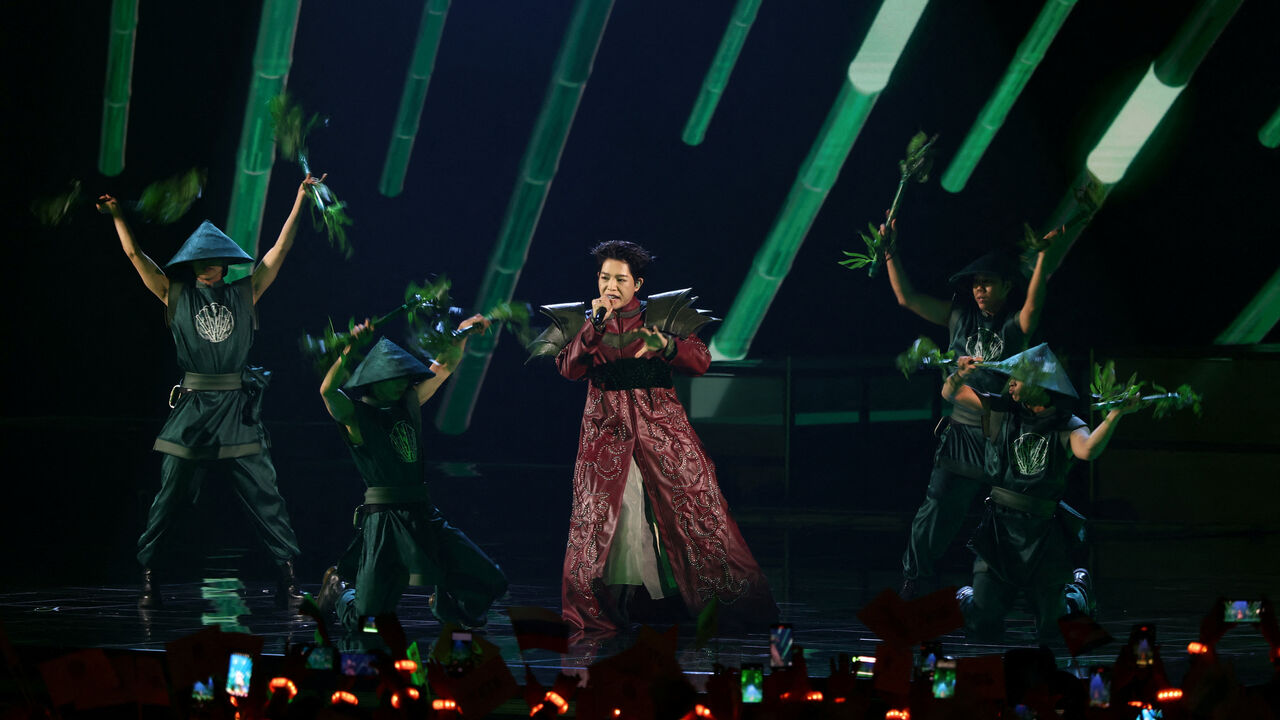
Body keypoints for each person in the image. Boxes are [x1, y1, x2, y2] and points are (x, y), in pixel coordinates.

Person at [528, 240, 777, 632]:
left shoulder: (662, 314)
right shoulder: (583, 320)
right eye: (605, 277)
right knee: (613, 520)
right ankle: (618, 602)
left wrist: (668, 346)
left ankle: (695, 600)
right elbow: (570, 370)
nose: (611, 285)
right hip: (606, 438)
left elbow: (701, 362)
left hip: (663, 435)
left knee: (687, 514)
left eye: (620, 279)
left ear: (637, 283)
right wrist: (594, 327)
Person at [98, 174, 321, 607]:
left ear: (224, 263)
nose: (205, 266)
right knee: (170, 494)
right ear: (191, 264)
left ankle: (289, 580)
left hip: (237, 410)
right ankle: (148, 575)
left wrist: (299, 201)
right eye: (199, 260)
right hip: (194, 409)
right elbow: (134, 256)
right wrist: (118, 217)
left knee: (266, 493)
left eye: (213, 259)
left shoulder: (245, 292)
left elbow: (279, 251)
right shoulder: (175, 294)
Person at [884, 220, 1072, 600]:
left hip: (1003, 432)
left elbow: (1034, 306)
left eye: (987, 282)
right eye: (975, 283)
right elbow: (907, 298)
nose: (979, 289)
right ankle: (915, 581)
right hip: (962, 431)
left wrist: (1041, 261)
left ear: (1006, 286)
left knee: (1020, 511)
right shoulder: (958, 316)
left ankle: (1033, 587)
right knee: (938, 506)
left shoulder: (1013, 325)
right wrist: (890, 251)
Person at [317, 323, 508, 632]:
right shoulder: (357, 417)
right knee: (369, 621)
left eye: (404, 376)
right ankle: (338, 590)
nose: (402, 383)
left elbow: (443, 366)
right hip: (384, 523)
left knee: (490, 579)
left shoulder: (408, 403)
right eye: (394, 378)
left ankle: (447, 605)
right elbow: (327, 391)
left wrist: (462, 333)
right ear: (374, 380)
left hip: (422, 513)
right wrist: (349, 351)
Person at [942, 343, 1138, 642]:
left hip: (1043, 533)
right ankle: (971, 597)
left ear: (1038, 383)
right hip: (1001, 527)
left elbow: (1086, 450)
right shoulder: (1000, 410)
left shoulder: (1064, 423)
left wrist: (1114, 415)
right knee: (983, 625)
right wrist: (959, 374)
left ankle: (1077, 593)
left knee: (1053, 630)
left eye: (1017, 379)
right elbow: (951, 394)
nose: (1011, 385)